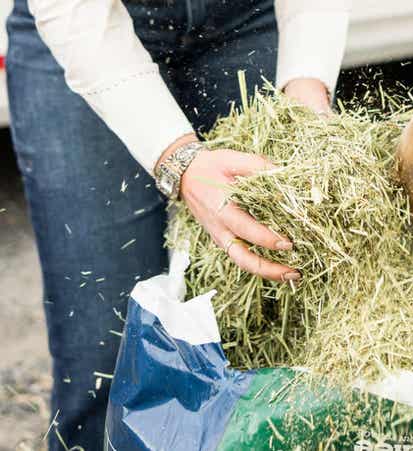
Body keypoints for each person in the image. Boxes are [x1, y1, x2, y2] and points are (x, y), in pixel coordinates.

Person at [6, 0, 350, 448]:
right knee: (106, 354)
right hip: (87, 29)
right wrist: (179, 160)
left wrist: (306, 81)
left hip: (246, 18)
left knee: (280, 328)